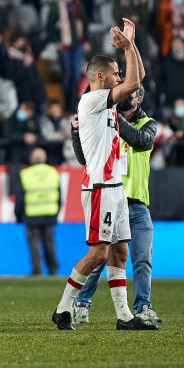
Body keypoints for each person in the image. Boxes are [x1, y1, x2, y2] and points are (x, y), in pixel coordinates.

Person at [51, 19, 158, 331]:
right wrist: (127, 47)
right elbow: (135, 83)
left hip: (115, 188)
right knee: (97, 252)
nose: (119, 76)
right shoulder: (93, 100)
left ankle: (125, 316)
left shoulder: (107, 105)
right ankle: (63, 308)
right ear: (100, 77)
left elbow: (138, 79)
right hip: (99, 186)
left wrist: (130, 45)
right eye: (114, 73)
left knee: (120, 251)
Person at [71, 86, 163, 325]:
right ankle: (81, 302)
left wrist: (112, 116)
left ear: (139, 98)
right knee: (101, 257)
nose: (122, 98)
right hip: (111, 199)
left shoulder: (148, 124)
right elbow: (84, 158)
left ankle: (142, 307)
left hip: (137, 203)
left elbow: (141, 141)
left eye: (127, 95)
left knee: (142, 258)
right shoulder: (106, 122)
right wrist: (75, 131)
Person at [15, 147, 60, 276]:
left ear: (31, 159)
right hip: (50, 213)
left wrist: (18, 215)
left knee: (34, 244)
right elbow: (59, 195)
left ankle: (37, 271)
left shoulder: (25, 174)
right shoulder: (53, 172)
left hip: (32, 214)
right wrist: (56, 212)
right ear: (45, 159)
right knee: (49, 243)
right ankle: (53, 270)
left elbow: (20, 198)